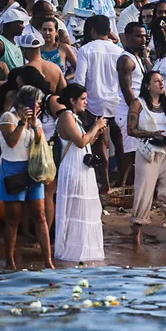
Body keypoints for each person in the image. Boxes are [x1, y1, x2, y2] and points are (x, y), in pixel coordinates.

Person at [0, 85, 53, 270]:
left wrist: (35, 124)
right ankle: (9, 261)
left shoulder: (35, 121)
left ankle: (48, 261)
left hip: (32, 170)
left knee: (41, 216)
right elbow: (12, 142)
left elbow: (40, 143)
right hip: (13, 169)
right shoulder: (8, 117)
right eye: (36, 103)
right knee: (13, 219)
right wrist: (22, 122)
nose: (38, 107)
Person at [127, 71, 166, 245]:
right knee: (143, 191)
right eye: (156, 81)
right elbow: (131, 130)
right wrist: (152, 134)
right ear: (147, 85)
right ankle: (137, 235)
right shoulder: (138, 103)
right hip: (148, 151)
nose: (160, 83)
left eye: (161, 80)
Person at [54, 83, 106, 264]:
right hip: (73, 168)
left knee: (86, 209)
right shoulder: (67, 116)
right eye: (82, 99)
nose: (85, 103)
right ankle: (73, 250)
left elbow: (87, 140)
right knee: (76, 209)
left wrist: (97, 131)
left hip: (82, 168)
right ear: (72, 100)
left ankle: (84, 249)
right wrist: (96, 126)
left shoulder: (74, 118)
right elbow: (80, 142)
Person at [73, 14, 122, 192]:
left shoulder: (86, 50)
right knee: (120, 141)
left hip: (95, 103)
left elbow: (79, 80)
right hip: (117, 102)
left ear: (92, 31)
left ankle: (105, 182)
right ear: (108, 30)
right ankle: (124, 180)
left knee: (100, 144)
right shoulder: (119, 51)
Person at [114, 21, 151, 187]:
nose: (143, 40)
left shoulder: (137, 57)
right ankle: (128, 190)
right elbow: (127, 89)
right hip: (128, 112)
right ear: (127, 37)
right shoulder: (126, 60)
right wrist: (138, 112)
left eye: (144, 36)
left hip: (134, 110)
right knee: (130, 153)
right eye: (138, 36)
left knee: (136, 151)